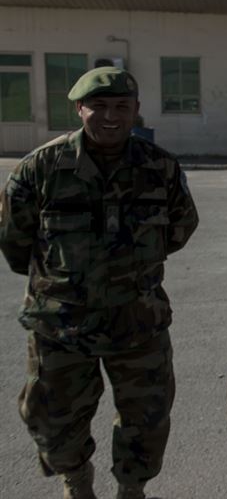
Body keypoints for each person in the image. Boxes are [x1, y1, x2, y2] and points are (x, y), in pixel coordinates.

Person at [0, 67, 199, 499]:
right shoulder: (41, 168)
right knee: (52, 419)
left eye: (121, 107)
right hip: (60, 326)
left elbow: (181, 227)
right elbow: (14, 241)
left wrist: (132, 270)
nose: (110, 117)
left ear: (136, 111)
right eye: (99, 107)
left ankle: (132, 490)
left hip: (137, 321)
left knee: (146, 420)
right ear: (79, 109)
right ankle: (77, 482)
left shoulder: (159, 167)